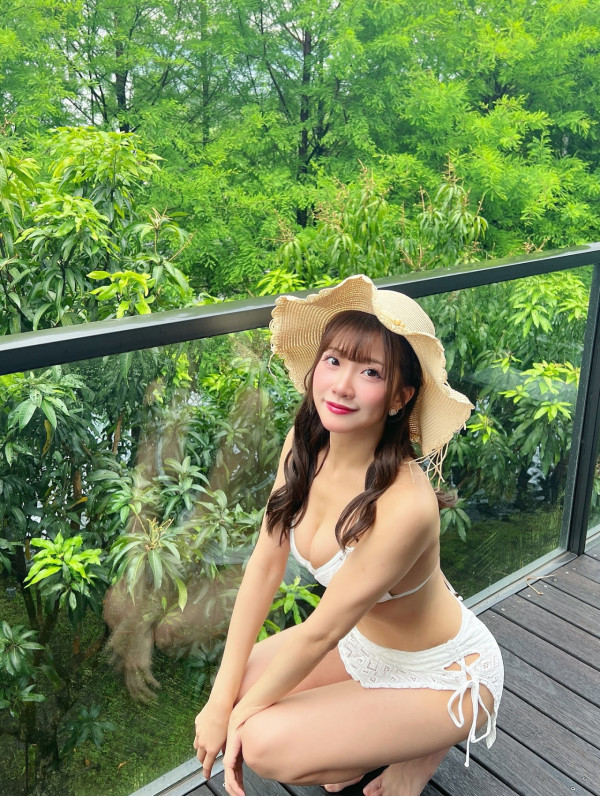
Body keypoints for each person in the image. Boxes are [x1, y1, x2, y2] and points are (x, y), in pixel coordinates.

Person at [193, 274, 504, 796]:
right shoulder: (305, 442)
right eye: (334, 360)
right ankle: (356, 751)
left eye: (370, 372)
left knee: (261, 741)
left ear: (400, 397)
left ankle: (419, 748)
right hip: (363, 643)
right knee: (236, 683)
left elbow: (320, 632)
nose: (341, 386)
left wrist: (239, 717)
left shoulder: (406, 504)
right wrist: (221, 701)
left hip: (445, 672)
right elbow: (265, 565)